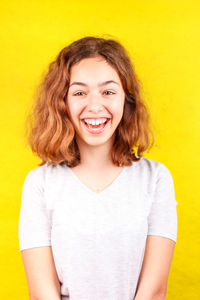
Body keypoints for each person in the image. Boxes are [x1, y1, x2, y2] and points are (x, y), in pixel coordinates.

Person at [18, 36, 178, 300]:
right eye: (79, 92)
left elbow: (154, 291)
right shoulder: (40, 183)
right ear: (62, 103)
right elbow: (41, 293)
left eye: (108, 91)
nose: (94, 105)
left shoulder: (156, 178)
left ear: (126, 100)